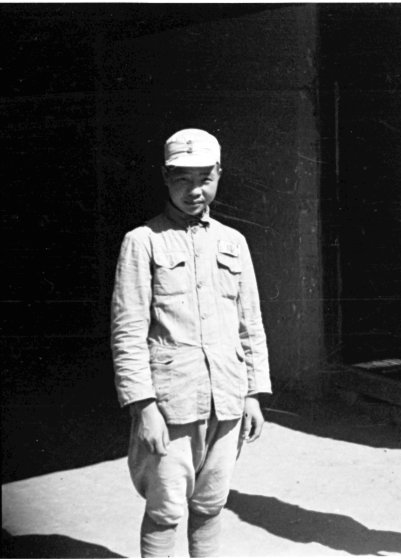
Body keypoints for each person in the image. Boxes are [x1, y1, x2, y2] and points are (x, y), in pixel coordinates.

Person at [111, 128, 271, 557]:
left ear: (219, 174)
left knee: (210, 505)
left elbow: (250, 323)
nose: (194, 190)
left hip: (228, 397)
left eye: (204, 178)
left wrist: (254, 393)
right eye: (182, 178)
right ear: (166, 178)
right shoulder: (142, 242)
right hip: (171, 404)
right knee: (164, 513)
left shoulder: (233, 243)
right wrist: (143, 408)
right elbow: (127, 333)